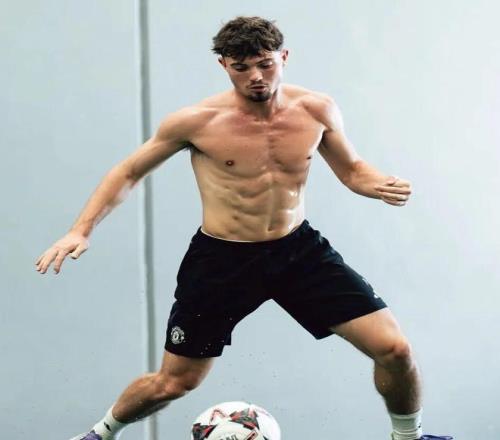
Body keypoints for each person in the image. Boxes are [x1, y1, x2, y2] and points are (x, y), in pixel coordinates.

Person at [35, 16, 452, 440]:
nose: (256, 76)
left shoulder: (317, 110)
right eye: (241, 67)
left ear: (284, 57)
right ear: (224, 65)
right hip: (222, 259)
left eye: (265, 64)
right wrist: (81, 230)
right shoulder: (196, 122)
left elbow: (353, 170)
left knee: (395, 349)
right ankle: (99, 435)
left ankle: (409, 438)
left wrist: (378, 184)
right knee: (174, 382)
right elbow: (127, 172)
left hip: (298, 252)